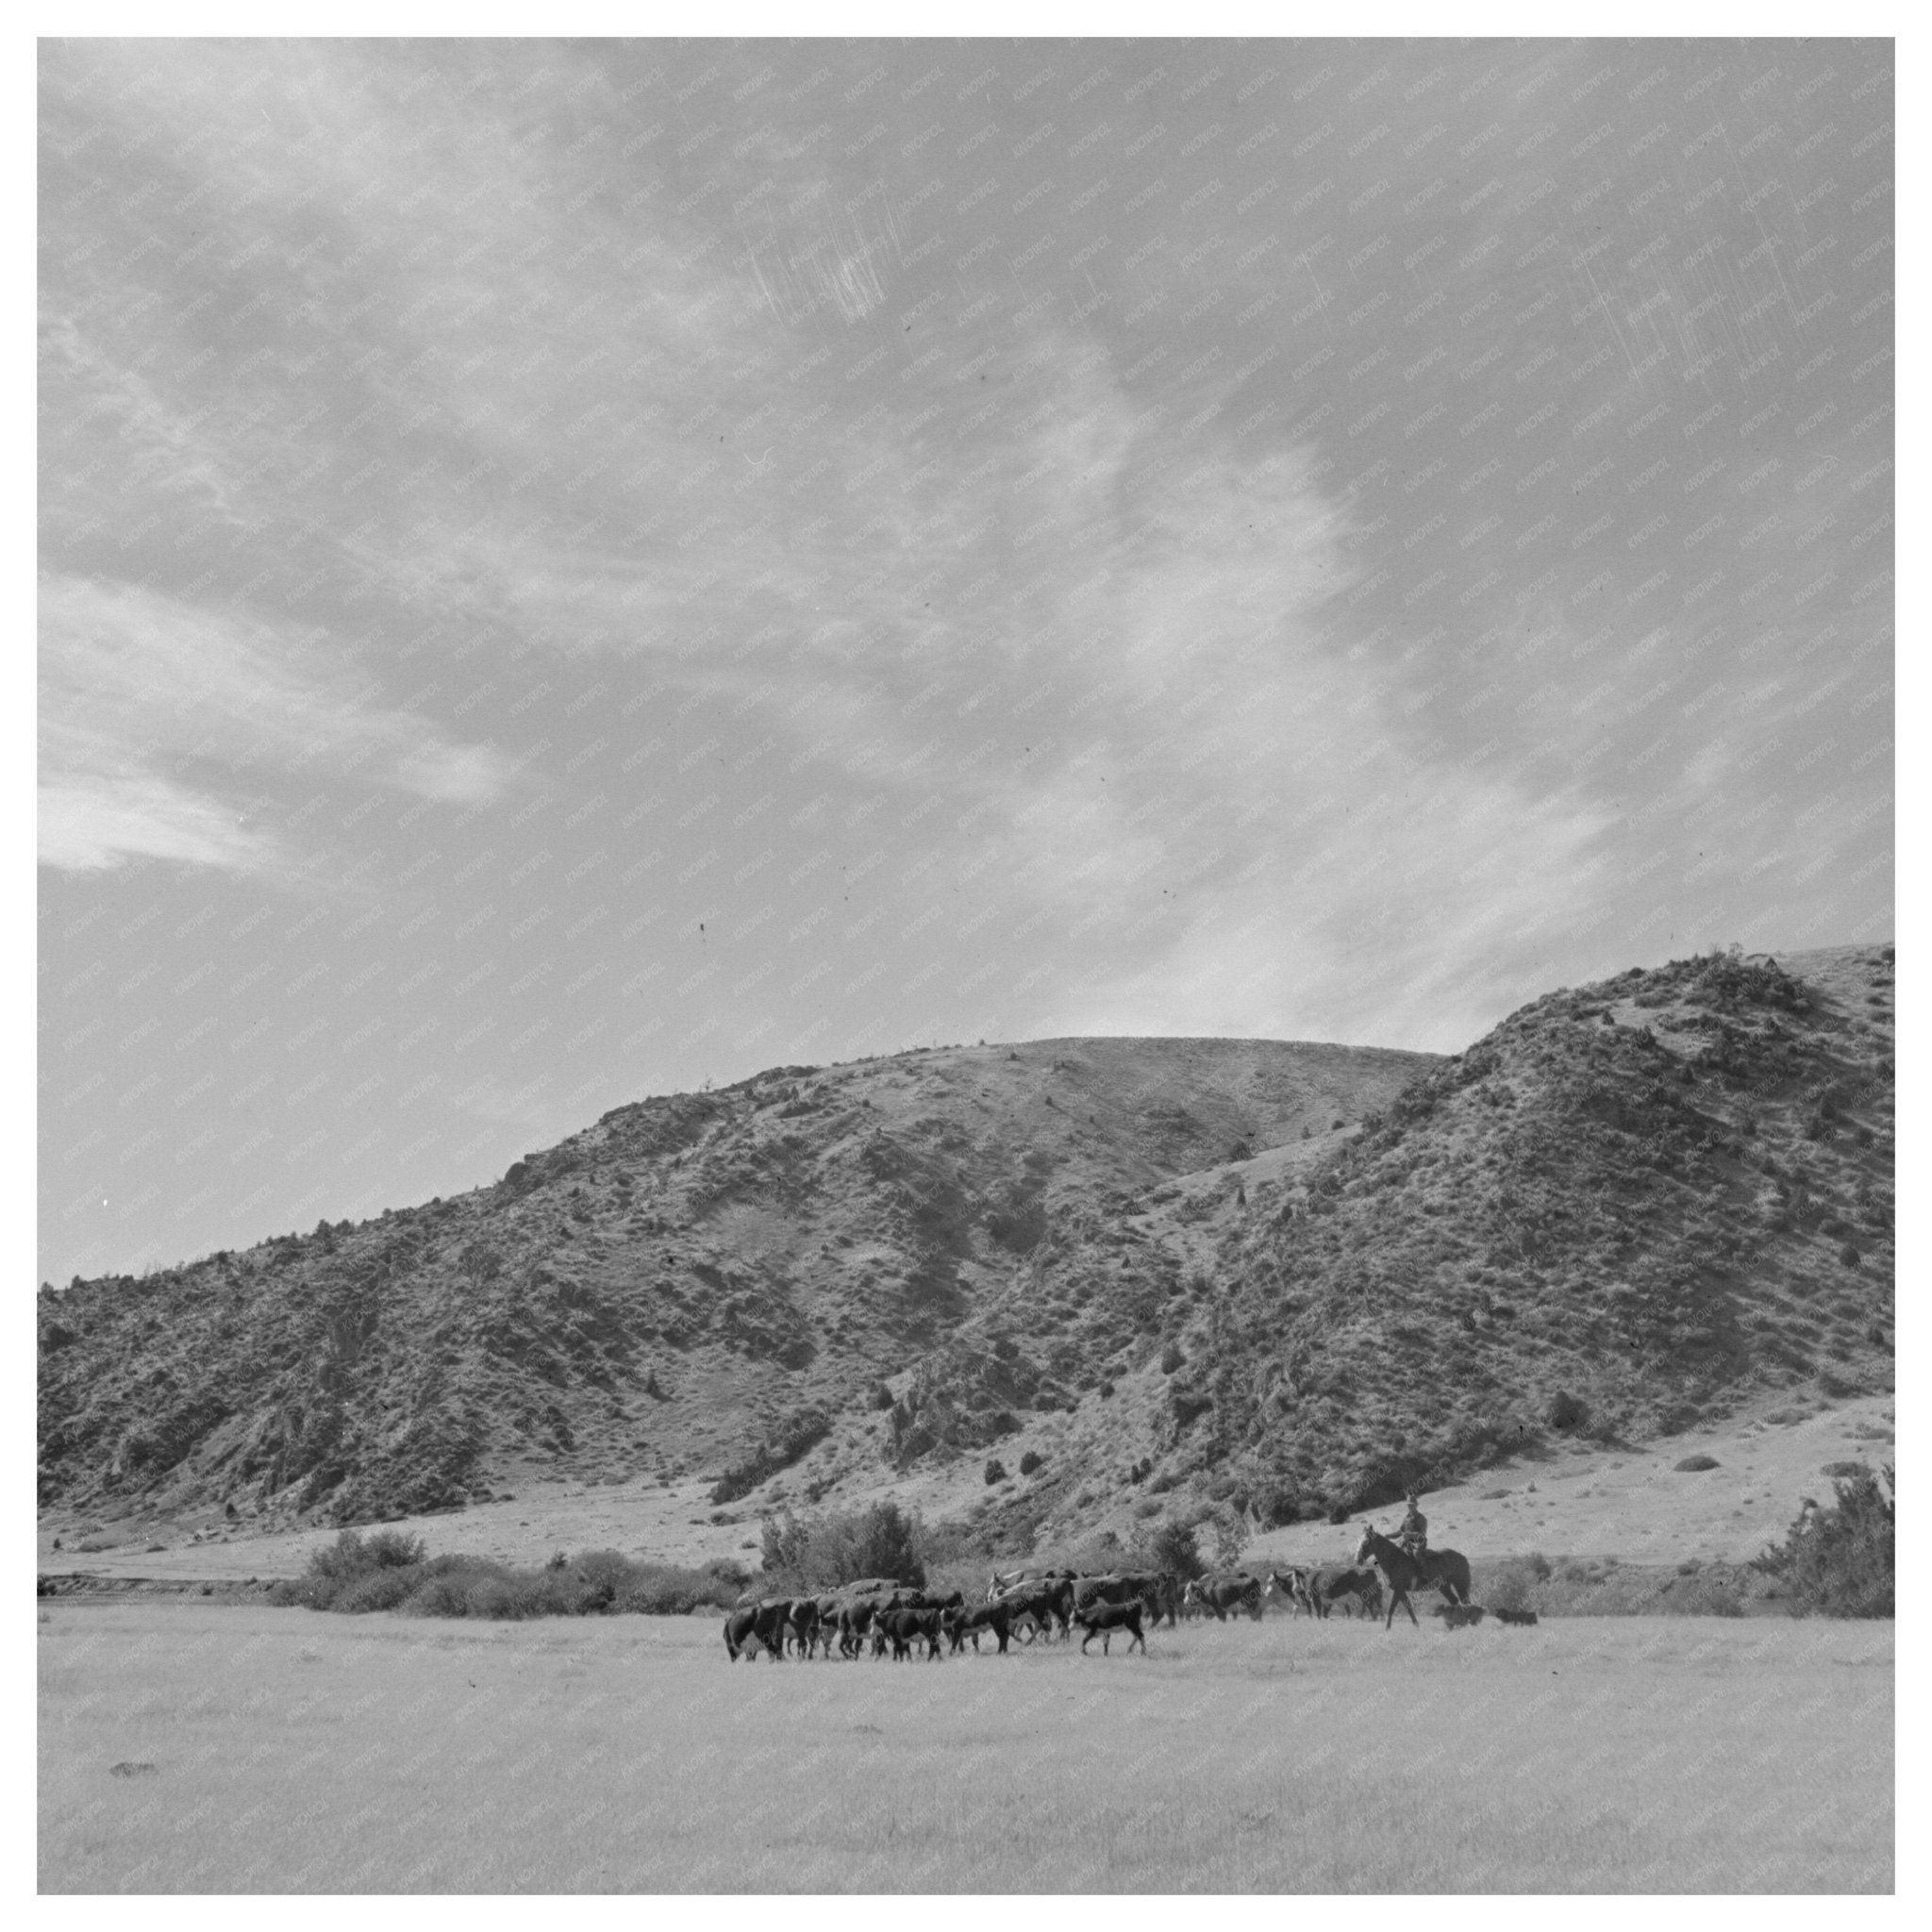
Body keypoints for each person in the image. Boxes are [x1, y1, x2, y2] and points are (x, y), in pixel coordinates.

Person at [1397, 1489, 1429, 1574]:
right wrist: (1388, 1536)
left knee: (1416, 1553)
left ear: (1416, 1505)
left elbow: (1422, 1534)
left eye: (1412, 1505)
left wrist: (1409, 1535)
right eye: (1409, 1505)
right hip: (1407, 1542)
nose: (1410, 1507)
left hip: (1419, 1542)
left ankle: (1425, 1574)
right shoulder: (1406, 1518)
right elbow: (1400, 1531)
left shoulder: (1421, 1518)